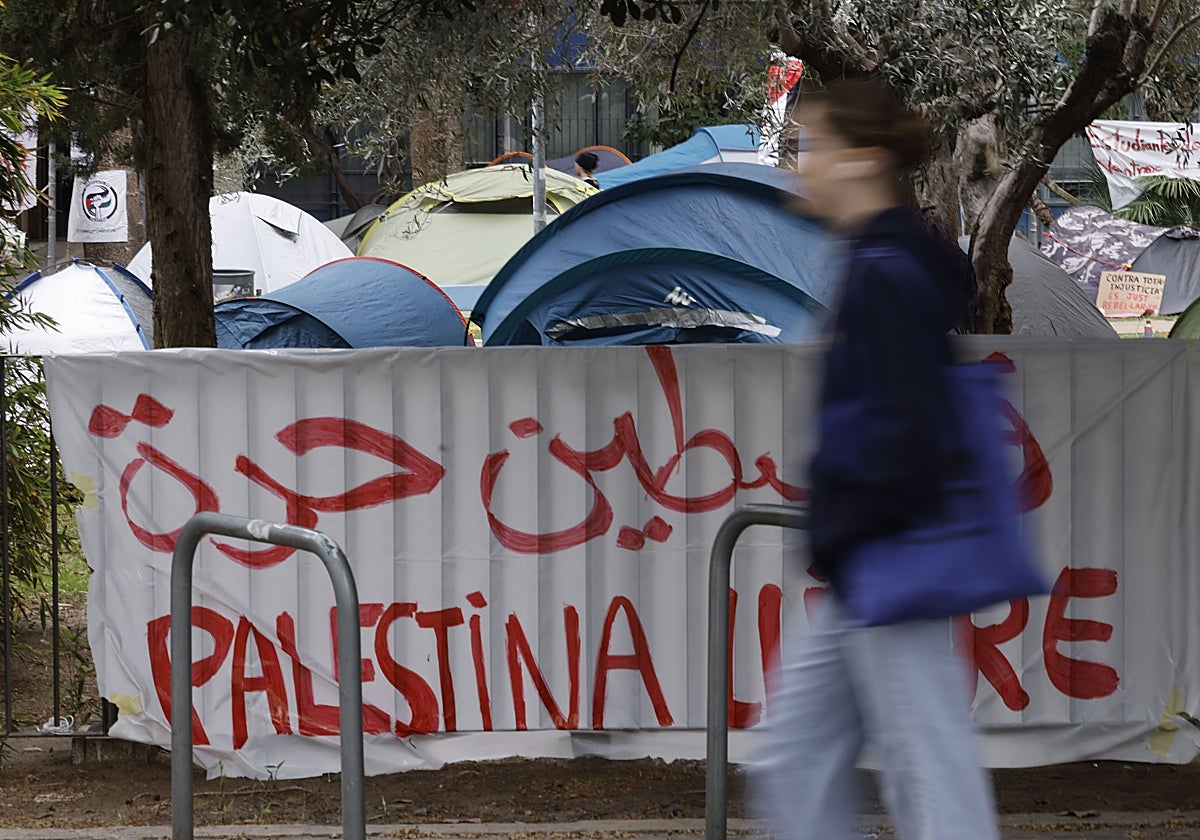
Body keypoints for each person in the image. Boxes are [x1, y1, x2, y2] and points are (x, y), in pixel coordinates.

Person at [753, 77, 999, 840]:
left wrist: (855, 522)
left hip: (890, 553)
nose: (799, 167)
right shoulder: (884, 263)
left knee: (926, 770)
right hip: (873, 553)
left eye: (809, 149)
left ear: (860, 161)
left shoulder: (887, 273)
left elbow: (907, 426)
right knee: (801, 757)